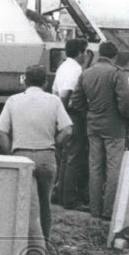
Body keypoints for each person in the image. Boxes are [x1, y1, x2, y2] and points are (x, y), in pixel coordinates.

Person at [0, 65, 72, 248]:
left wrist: (12, 153)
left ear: (25, 81)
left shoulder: (13, 100)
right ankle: (45, 241)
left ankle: (33, 248)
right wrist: (54, 144)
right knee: (45, 204)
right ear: (45, 82)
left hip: (22, 155)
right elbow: (67, 130)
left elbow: (0, 133)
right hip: (47, 155)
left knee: (28, 206)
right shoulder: (54, 101)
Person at [69, 41, 129, 220]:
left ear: (99, 54)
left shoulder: (86, 73)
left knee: (95, 167)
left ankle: (95, 209)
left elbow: (76, 100)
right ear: (114, 56)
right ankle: (109, 210)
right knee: (113, 168)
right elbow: (125, 102)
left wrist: (88, 113)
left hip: (93, 126)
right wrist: (127, 118)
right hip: (115, 127)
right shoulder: (117, 73)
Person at [52, 38, 90, 208]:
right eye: (85, 52)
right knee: (75, 156)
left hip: (63, 114)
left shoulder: (62, 67)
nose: (86, 55)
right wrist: (66, 115)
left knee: (66, 157)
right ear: (80, 53)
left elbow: (55, 91)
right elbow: (66, 94)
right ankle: (70, 198)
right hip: (72, 115)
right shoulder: (75, 69)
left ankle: (60, 194)